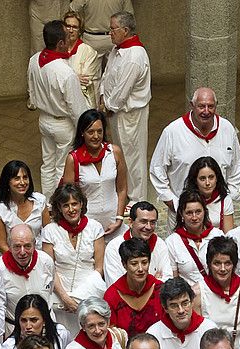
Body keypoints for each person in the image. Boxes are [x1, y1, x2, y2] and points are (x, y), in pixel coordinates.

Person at [149, 87, 240, 213]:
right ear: (192, 106)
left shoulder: (227, 128)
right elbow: (157, 169)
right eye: (201, 106)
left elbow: (238, 165)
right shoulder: (173, 131)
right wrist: (173, 203)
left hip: (218, 210)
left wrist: (229, 196)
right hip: (184, 211)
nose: (206, 111)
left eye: (210, 106)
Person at [29, 21, 90, 196]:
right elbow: (76, 108)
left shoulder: (34, 60)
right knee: (62, 167)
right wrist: (85, 129)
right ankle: (57, 203)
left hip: (44, 119)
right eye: (67, 38)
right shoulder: (65, 73)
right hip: (63, 125)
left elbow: (32, 90)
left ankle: (47, 202)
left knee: (47, 164)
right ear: (60, 43)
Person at [99, 12, 150, 202]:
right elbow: (106, 75)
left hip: (129, 115)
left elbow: (123, 90)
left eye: (113, 29)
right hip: (115, 112)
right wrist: (103, 95)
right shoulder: (116, 50)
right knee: (120, 152)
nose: (110, 33)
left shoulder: (134, 56)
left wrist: (109, 106)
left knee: (133, 156)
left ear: (126, 30)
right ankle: (124, 189)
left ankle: (137, 198)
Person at [41, 183, 106, 333]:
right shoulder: (50, 231)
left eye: (74, 204)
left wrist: (79, 298)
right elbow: (49, 268)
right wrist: (65, 298)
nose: (71, 209)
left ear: (81, 204)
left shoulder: (95, 228)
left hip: (89, 292)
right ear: (59, 207)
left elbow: (99, 267)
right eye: (66, 205)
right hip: (60, 298)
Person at [61, 109, 127, 236]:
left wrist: (119, 218)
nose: (96, 136)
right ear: (82, 133)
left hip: (114, 221)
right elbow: (68, 196)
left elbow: (122, 188)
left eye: (99, 131)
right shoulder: (73, 159)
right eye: (90, 132)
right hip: (87, 224)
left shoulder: (114, 153)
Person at [147, 277, 216, 349]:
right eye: (174, 305)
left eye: (185, 303)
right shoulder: (153, 334)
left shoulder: (209, 329)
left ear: (192, 302)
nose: (181, 310)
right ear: (165, 308)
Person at [192, 235, 240, 337]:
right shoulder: (198, 292)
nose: (222, 269)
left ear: (234, 264)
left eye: (227, 263)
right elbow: (196, 334)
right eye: (217, 263)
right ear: (209, 264)